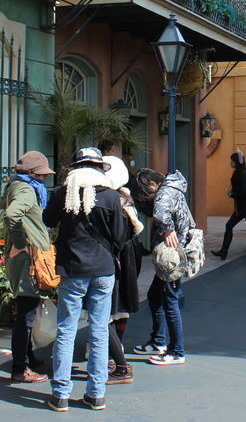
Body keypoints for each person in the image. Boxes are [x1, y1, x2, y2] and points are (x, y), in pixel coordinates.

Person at [42, 148, 129, 412]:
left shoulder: (62, 193)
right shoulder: (112, 197)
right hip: (103, 270)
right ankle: (96, 394)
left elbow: (47, 219)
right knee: (99, 329)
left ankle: (60, 394)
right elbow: (119, 235)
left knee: (67, 330)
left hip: (72, 270)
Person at [0, 150, 54, 384]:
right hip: (27, 260)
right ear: (32, 174)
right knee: (26, 314)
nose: (44, 179)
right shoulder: (25, 189)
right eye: (41, 175)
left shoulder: (17, 186)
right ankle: (20, 368)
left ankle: (27, 356)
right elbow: (12, 215)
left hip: (27, 258)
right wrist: (21, 243)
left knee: (27, 309)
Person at [133, 167, 191, 365]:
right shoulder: (172, 188)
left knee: (170, 301)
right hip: (169, 254)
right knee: (155, 296)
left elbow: (161, 214)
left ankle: (176, 351)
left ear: (152, 184)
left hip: (171, 256)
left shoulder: (165, 193)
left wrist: (167, 229)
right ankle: (158, 341)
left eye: (145, 192)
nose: (146, 196)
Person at [101, 155, 142, 387]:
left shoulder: (114, 198)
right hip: (128, 254)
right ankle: (114, 350)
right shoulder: (125, 196)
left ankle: (116, 358)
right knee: (121, 303)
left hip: (117, 255)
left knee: (111, 305)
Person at [211, 150, 246, 260]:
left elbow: (244, 191)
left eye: (232, 160)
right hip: (243, 207)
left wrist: (233, 194)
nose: (231, 162)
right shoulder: (241, 173)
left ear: (236, 162)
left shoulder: (242, 174)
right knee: (232, 226)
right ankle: (224, 251)